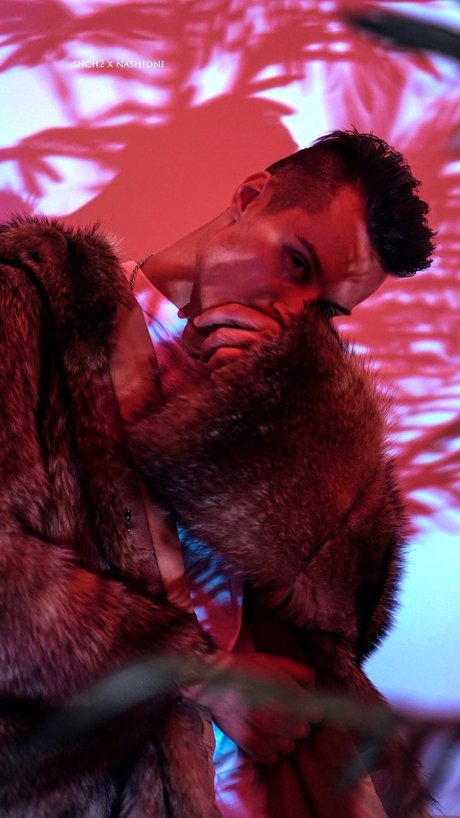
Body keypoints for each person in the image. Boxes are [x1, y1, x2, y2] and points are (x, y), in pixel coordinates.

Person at [0, 129, 434, 818]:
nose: (294, 313)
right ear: (250, 196)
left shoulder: (293, 387)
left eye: (325, 307)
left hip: (281, 785)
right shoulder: (40, 307)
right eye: (296, 263)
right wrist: (200, 676)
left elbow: (349, 619)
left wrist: (290, 417)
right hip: (101, 786)